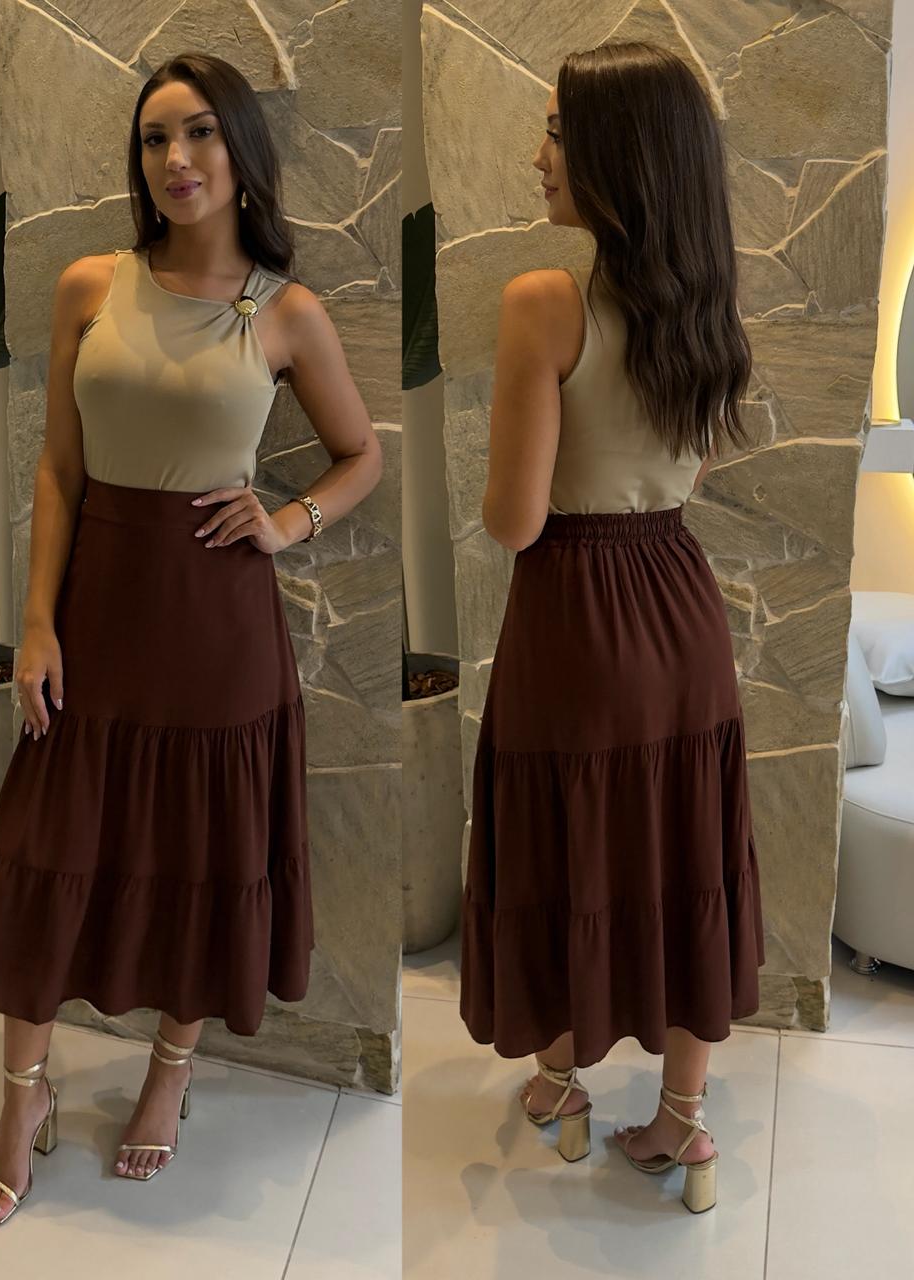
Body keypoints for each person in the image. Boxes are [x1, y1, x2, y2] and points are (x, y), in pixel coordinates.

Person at [0, 51, 382, 1225]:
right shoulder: (90, 285)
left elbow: (361, 454)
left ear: (240, 150)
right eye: (154, 138)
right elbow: (58, 469)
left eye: (198, 132)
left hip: (218, 627)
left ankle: (169, 1073)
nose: (176, 158)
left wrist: (286, 520)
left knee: (202, 853)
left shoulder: (287, 311)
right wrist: (35, 624)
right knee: (46, 853)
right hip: (97, 612)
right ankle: (21, 1101)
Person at [458, 42, 765, 1216]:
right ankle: (683, 1118)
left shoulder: (544, 303)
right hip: (681, 613)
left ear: (616, 155)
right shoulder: (706, 306)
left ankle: (561, 1082)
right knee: (686, 850)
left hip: (574, 619)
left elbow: (514, 519)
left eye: (555, 130)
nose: (537, 155)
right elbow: (680, 470)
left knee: (562, 839)